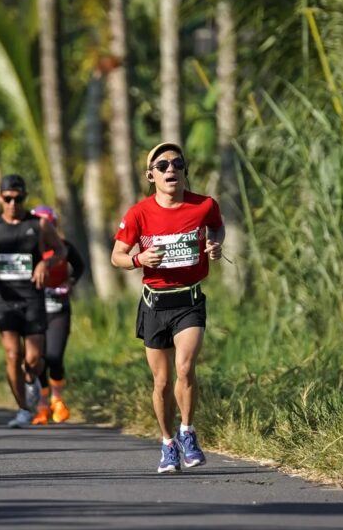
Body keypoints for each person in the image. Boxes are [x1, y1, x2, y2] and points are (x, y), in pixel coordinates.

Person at [110, 142, 224, 474]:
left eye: (177, 163)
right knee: (161, 382)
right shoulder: (139, 213)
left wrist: (215, 244)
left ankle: (187, 431)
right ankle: (167, 442)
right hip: (155, 304)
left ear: (185, 170)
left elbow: (217, 226)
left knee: (185, 368)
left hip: (189, 301)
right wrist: (139, 259)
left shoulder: (204, 205)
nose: (170, 169)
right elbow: (116, 256)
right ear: (151, 176)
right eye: (162, 166)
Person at [0, 175, 65, 428]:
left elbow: (61, 250)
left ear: (25, 198)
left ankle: (31, 379)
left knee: (33, 359)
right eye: (8, 199)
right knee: (13, 354)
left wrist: (45, 263)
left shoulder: (39, 225)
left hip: (32, 298)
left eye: (18, 198)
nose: (13, 204)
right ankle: (23, 408)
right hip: (6, 299)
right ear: (0, 198)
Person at [29, 205, 85, 425]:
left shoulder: (64, 247)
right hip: (34, 311)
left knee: (54, 356)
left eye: (49, 225)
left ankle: (57, 399)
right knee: (38, 359)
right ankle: (42, 404)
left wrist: (69, 283)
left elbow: (79, 267)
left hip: (58, 309)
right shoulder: (28, 249)